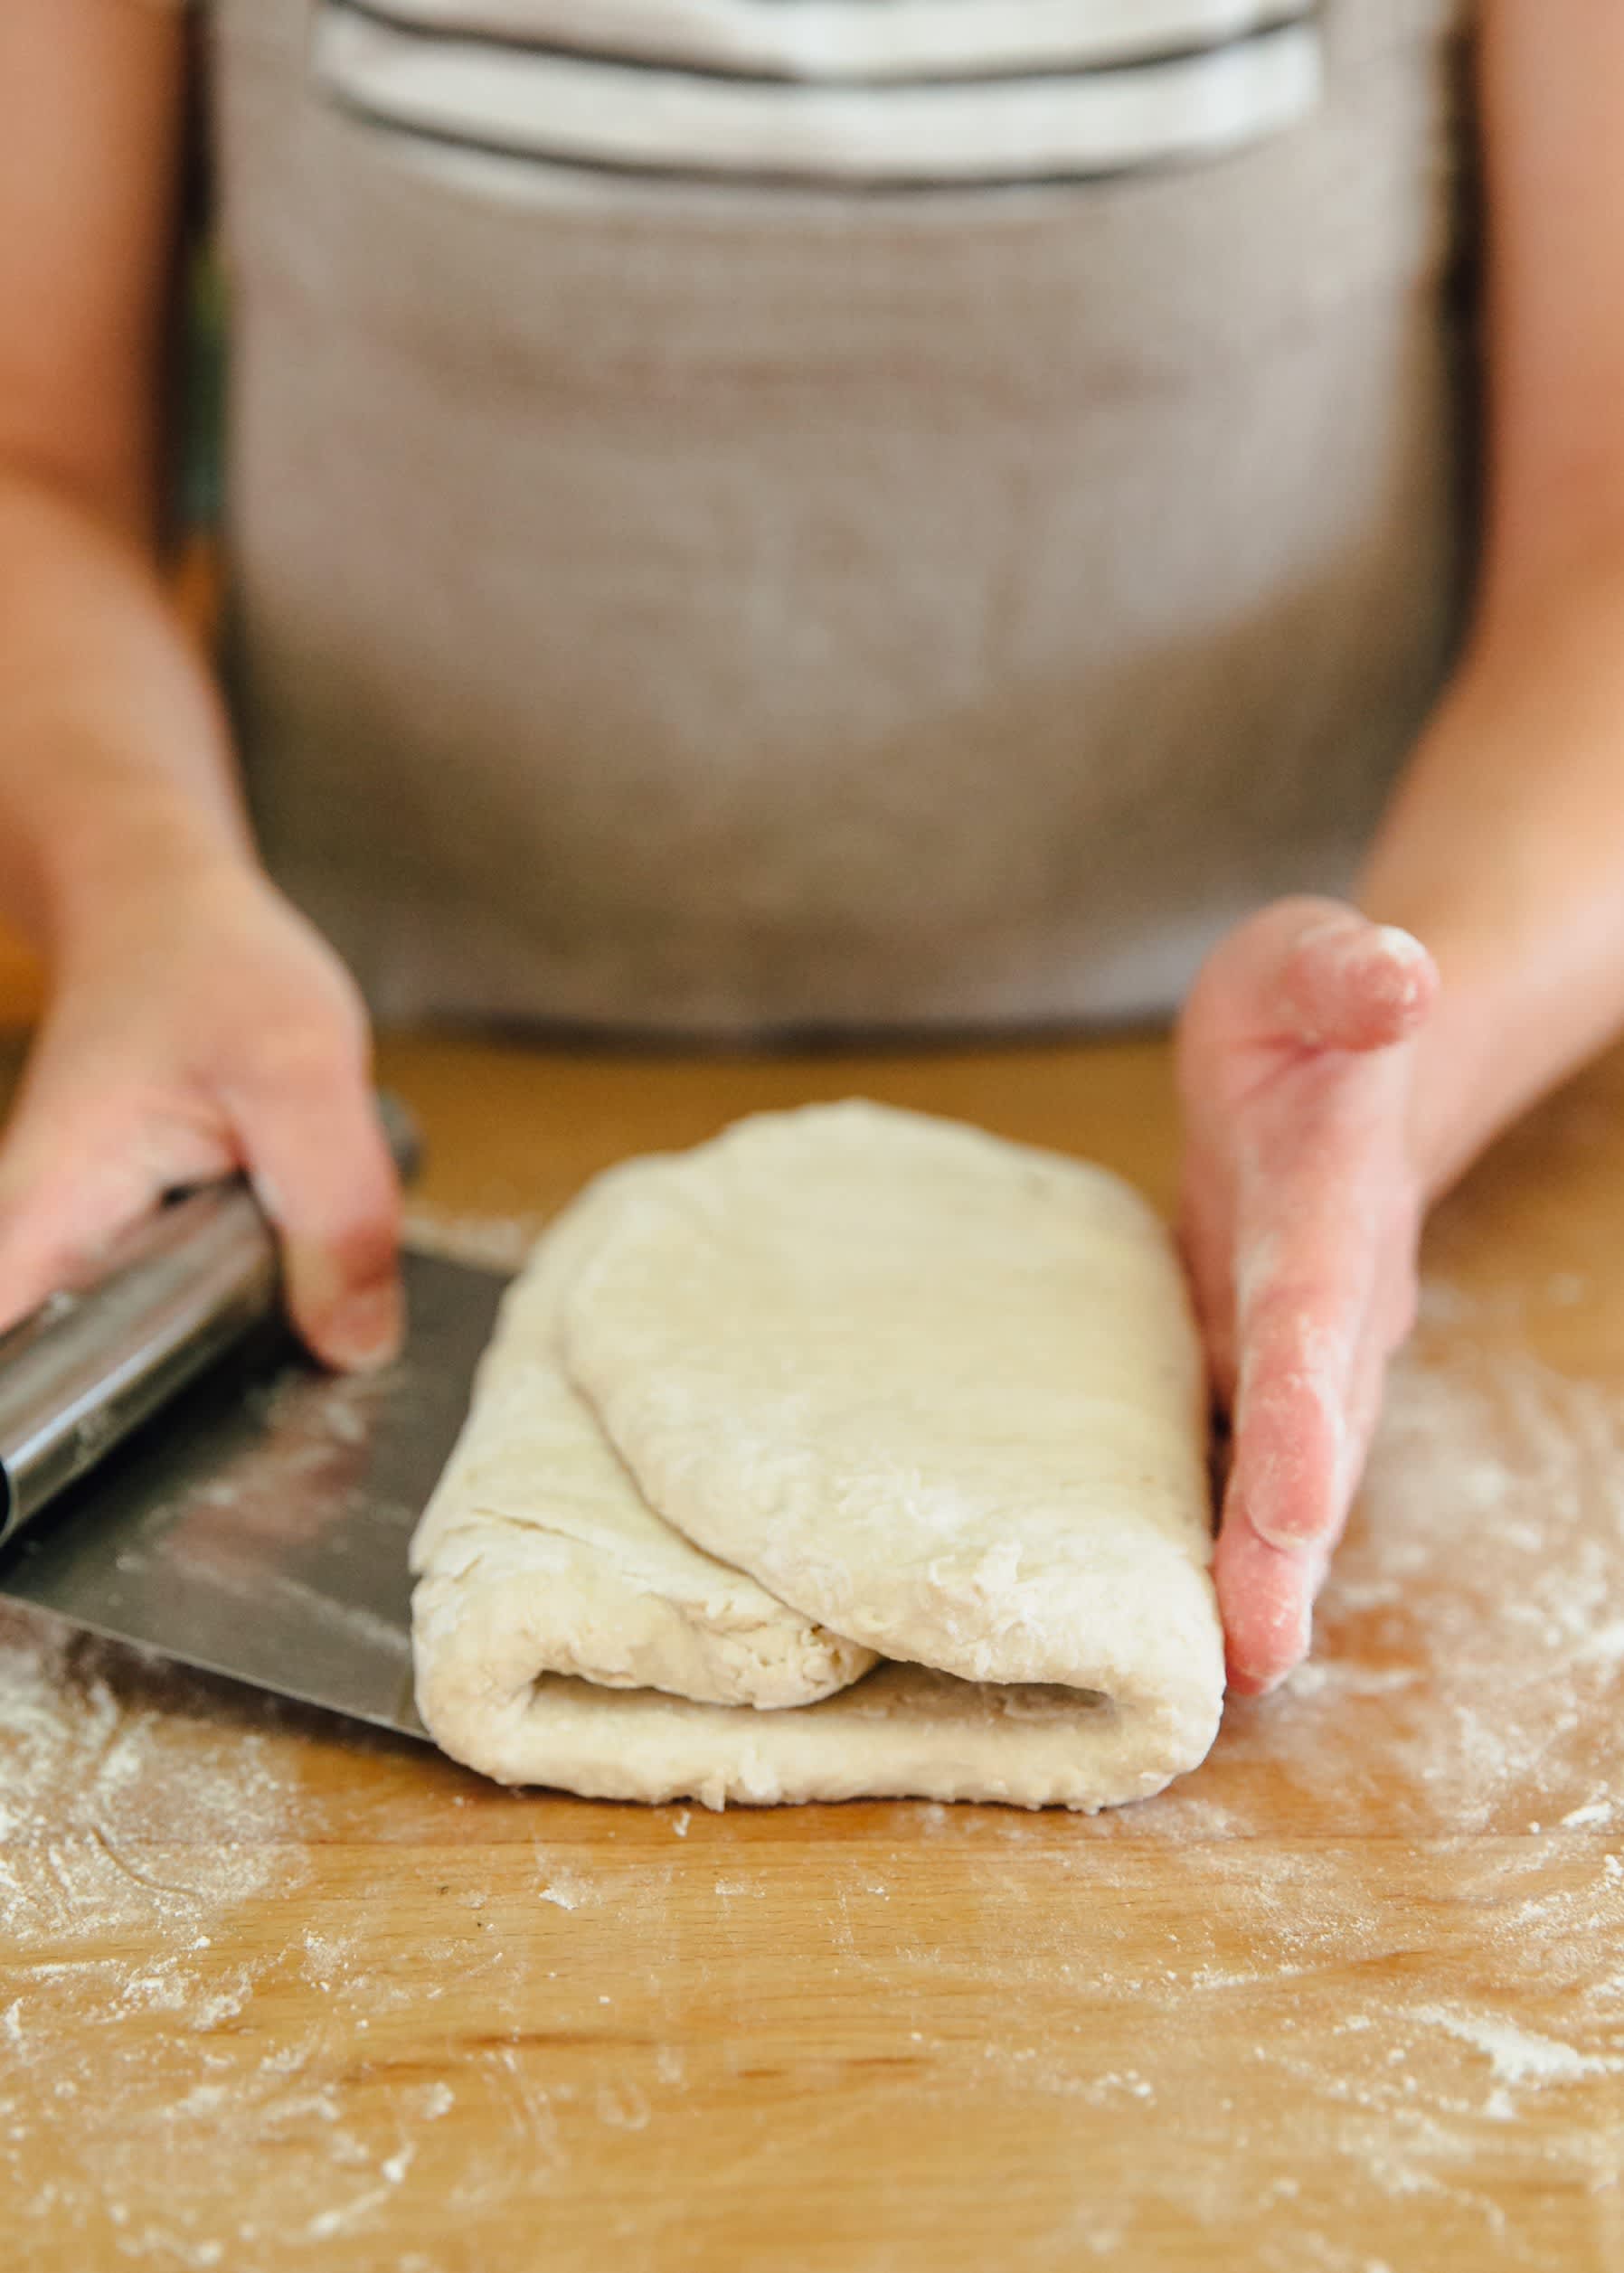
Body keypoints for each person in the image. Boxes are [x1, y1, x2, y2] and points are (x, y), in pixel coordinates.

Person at [2, 1, 1621, 1701]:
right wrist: (143, 890)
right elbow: (30, 460)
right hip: (353, 1111)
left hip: (1225, 1145)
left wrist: (1399, 1066)